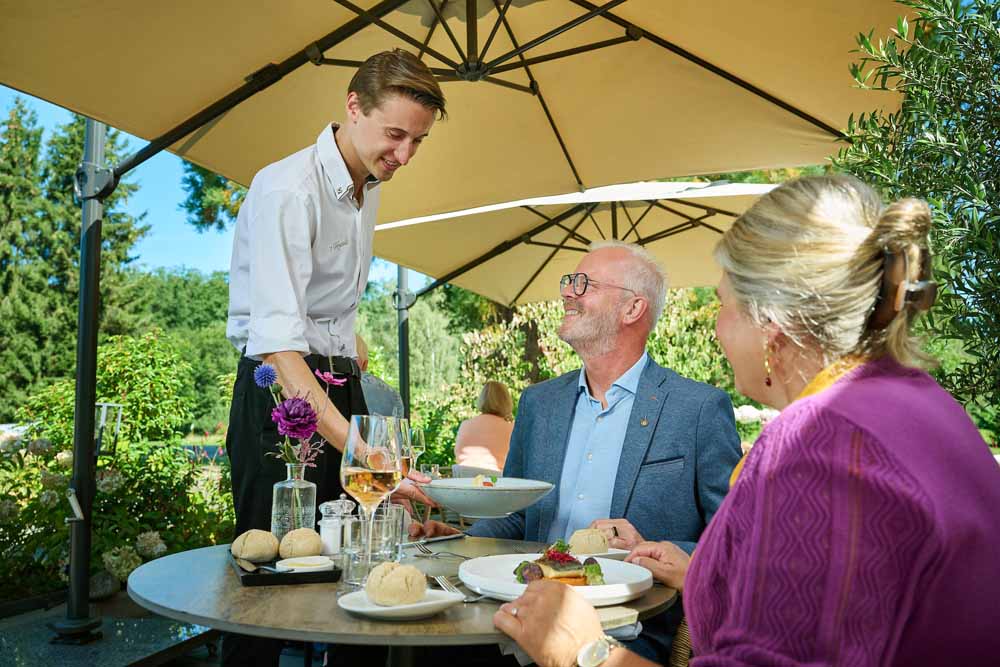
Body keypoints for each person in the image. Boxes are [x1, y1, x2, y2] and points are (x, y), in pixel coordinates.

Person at [495, 176, 1000, 666]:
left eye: (723, 304)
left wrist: (585, 652)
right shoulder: (922, 403)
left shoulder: (819, 449)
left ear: (770, 322)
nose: (716, 328)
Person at [223, 49, 446, 667]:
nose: (403, 155)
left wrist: (351, 350)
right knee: (271, 577)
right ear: (353, 107)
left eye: (417, 140)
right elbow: (278, 346)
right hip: (278, 394)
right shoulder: (287, 190)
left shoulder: (366, 186)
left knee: (361, 564)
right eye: (395, 134)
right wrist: (363, 450)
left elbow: (322, 312)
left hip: (336, 386)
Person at [417, 240, 742, 662]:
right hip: (517, 609)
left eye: (583, 283)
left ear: (632, 309)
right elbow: (517, 517)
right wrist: (459, 539)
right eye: (569, 281)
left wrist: (654, 546)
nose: (567, 292)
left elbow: (734, 541)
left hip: (626, 630)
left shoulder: (698, 408)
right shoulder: (538, 402)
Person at [454, 381, 515, 471]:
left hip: (465, 481)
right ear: (506, 401)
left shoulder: (465, 425)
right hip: (498, 483)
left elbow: (459, 457)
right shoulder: (512, 429)